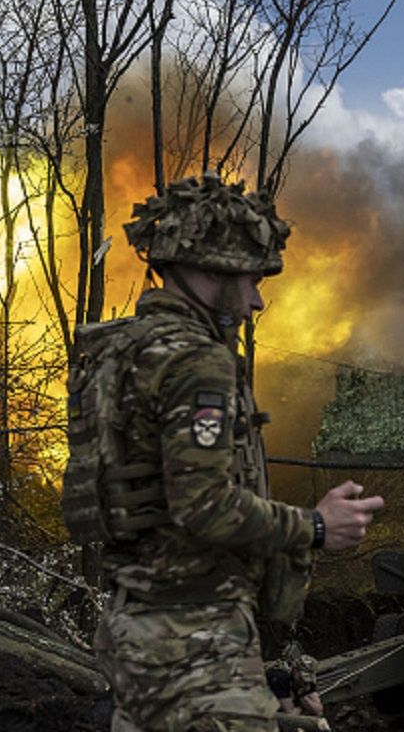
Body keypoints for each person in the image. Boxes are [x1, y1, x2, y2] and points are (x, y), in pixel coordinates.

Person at [86, 173, 383, 731]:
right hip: (196, 643)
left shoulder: (120, 352)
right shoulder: (197, 363)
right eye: (249, 280)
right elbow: (203, 505)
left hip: (140, 629)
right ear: (209, 269)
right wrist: (316, 526)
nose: (257, 300)